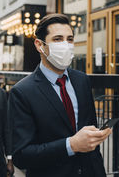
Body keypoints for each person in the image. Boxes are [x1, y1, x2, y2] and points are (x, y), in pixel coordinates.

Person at [8, 13, 112, 177]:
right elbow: (22, 156)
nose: (66, 44)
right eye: (57, 39)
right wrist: (71, 145)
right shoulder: (22, 92)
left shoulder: (82, 80)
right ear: (39, 45)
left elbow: (88, 130)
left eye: (69, 39)